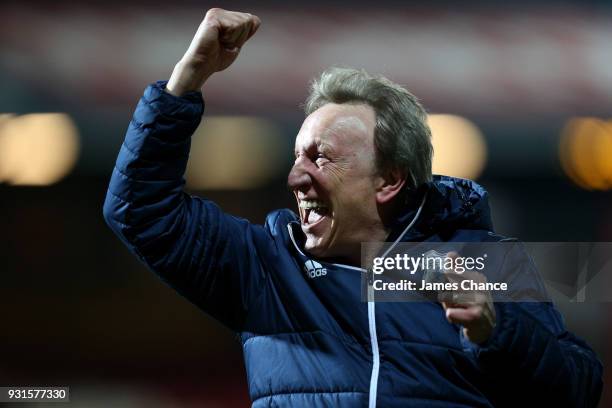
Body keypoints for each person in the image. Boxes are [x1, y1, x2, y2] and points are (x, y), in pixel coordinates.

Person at [103, 8, 603, 407]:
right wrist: (184, 84)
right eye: (297, 156)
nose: (296, 176)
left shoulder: (484, 263)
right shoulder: (267, 266)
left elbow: (577, 390)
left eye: (321, 158)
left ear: (389, 179)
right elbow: (140, 210)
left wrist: (497, 331)